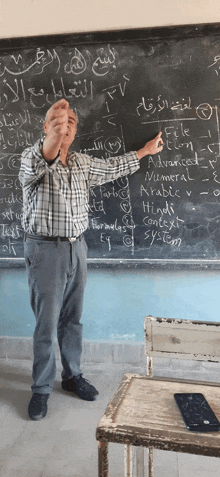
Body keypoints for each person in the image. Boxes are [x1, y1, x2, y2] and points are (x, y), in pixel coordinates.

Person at [19, 98, 163, 420]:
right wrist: (51, 141)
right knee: (46, 324)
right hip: (45, 250)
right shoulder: (33, 160)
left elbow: (112, 167)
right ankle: (41, 390)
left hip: (77, 248)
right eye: (58, 122)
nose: (65, 126)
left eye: (70, 122)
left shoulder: (83, 163)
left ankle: (72, 376)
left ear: (75, 130)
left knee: (72, 319)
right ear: (46, 127)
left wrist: (144, 152)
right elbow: (40, 159)